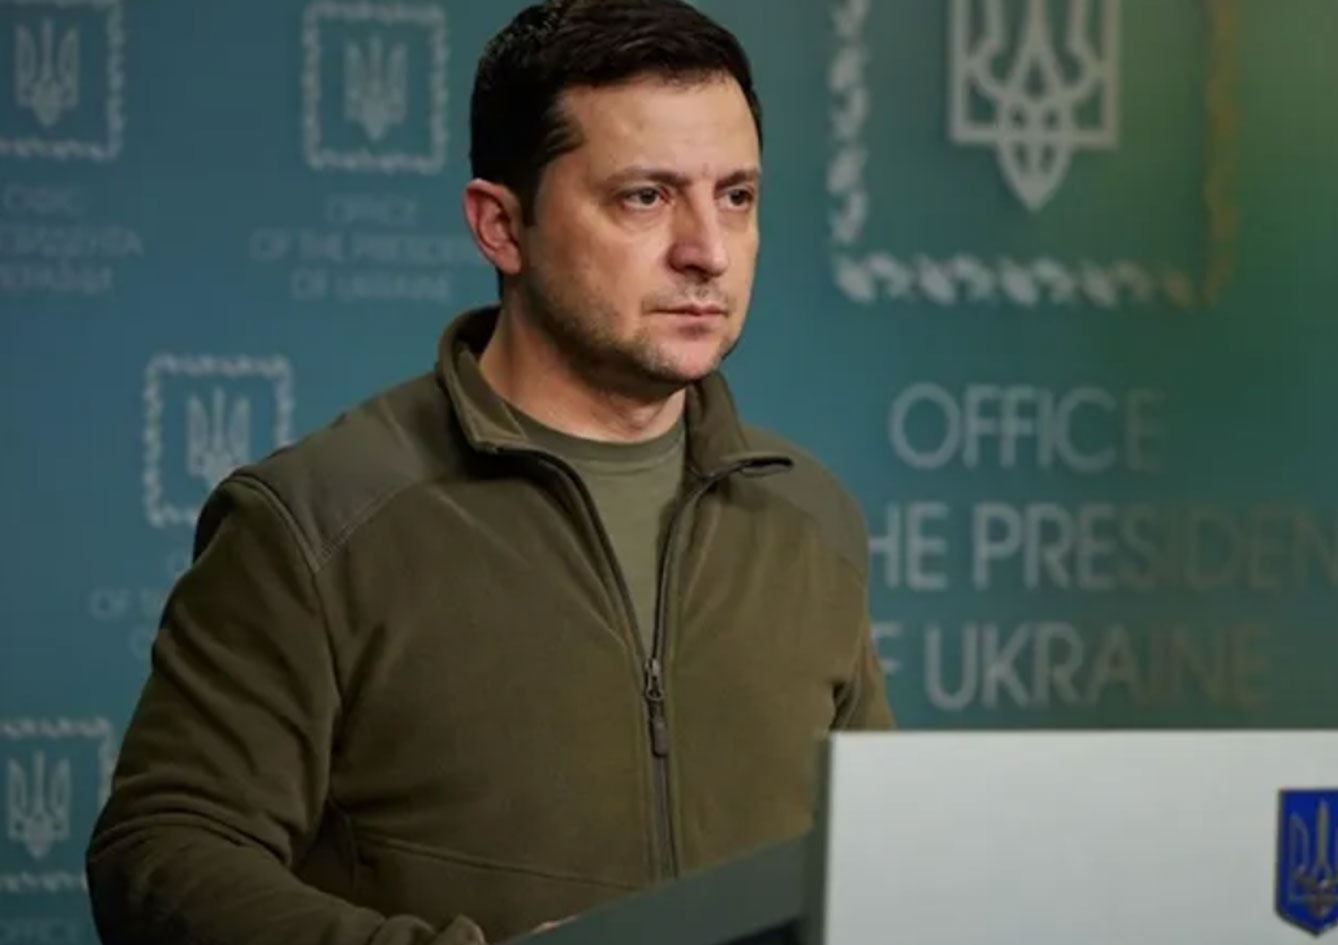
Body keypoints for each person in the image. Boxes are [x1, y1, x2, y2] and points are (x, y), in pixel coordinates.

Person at [86, 1, 894, 942]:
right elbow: (163, 853)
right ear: (501, 226)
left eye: (737, 197)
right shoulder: (316, 522)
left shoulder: (808, 515)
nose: (706, 251)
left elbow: (877, 867)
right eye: (645, 197)